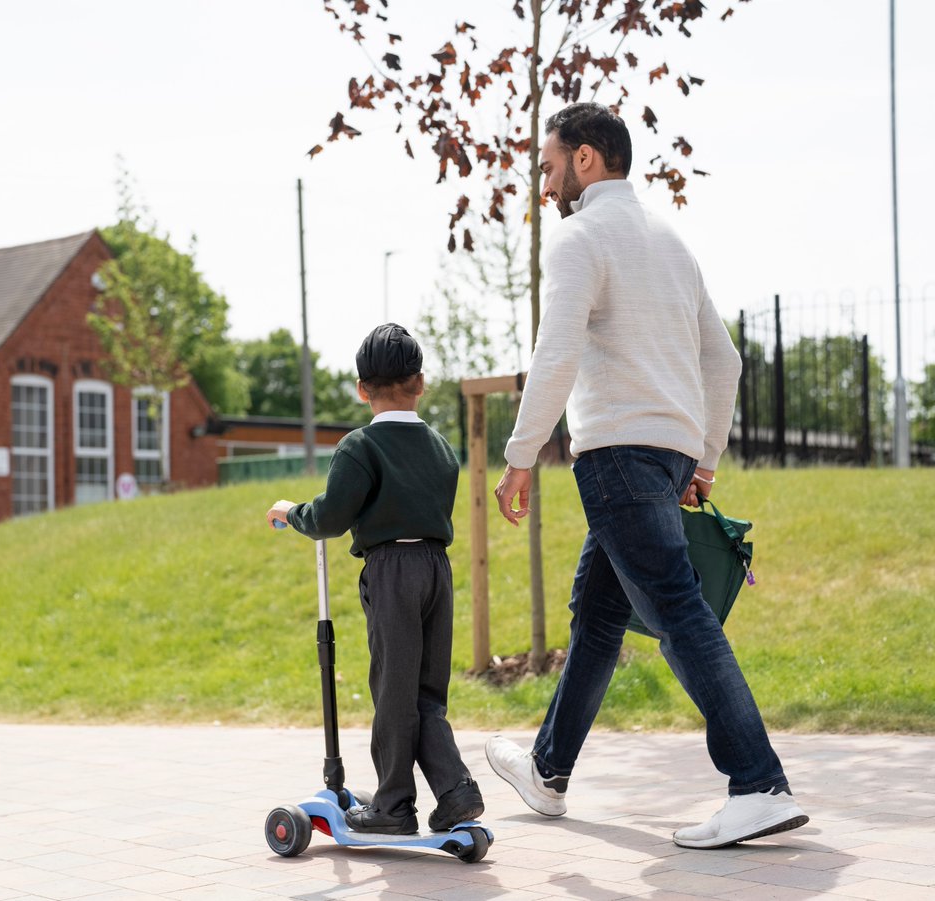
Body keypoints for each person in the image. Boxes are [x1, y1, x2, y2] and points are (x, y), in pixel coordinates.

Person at [488, 102, 808, 850]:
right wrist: (702, 460)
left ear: (587, 159)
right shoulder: (671, 241)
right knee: (598, 612)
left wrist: (520, 455)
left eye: (549, 165)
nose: (545, 182)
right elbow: (722, 360)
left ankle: (758, 782)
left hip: (616, 456)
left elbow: (556, 352)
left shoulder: (578, 238)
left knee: (676, 609)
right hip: (665, 458)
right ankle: (548, 770)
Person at [266, 323, 484, 836]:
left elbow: (331, 517)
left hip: (392, 573)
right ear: (421, 382)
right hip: (436, 567)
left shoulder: (359, 447)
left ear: (363, 389)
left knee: (393, 691)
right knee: (426, 693)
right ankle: (455, 791)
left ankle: (391, 808)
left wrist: (291, 512)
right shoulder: (440, 447)